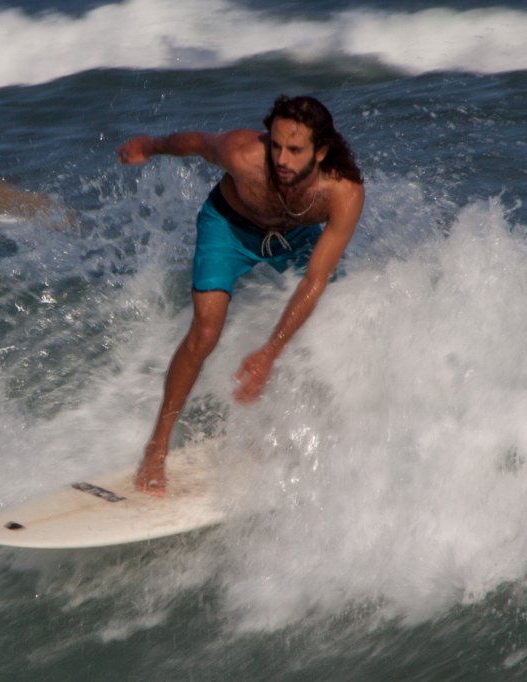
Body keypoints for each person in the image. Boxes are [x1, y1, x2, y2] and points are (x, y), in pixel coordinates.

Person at [116, 95, 365, 496]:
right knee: (206, 333)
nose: (282, 158)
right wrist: (150, 145)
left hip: (296, 236)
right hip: (229, 229)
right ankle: (157, 445)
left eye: (295, 150)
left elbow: (314, 280)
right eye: (277, 145)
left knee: (340, 312)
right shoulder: (244, 154)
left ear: (320, 152)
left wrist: (270, 352)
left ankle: (325, 424)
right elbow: (197, 143)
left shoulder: (342, 192)